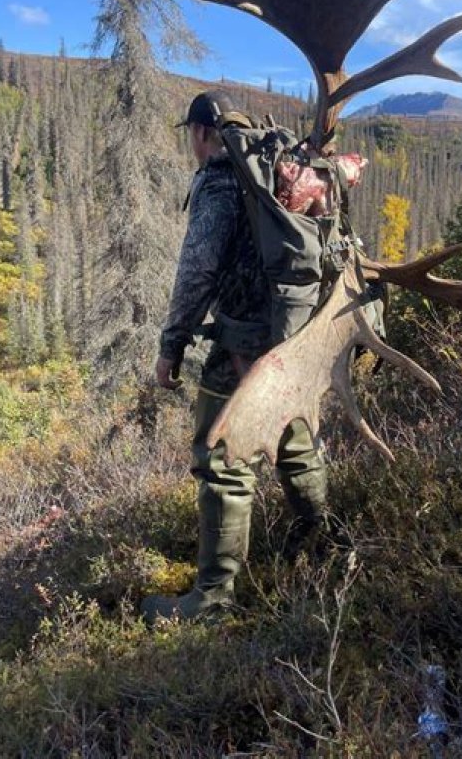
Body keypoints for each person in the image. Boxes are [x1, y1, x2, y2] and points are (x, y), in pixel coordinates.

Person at [141, 90, 328, 624]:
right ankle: (328, 546)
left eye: (191, 135)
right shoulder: (277, 171)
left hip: (243, 344)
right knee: (295, 440)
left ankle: (213, 598)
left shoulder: (222, 179)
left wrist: (171, 344)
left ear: (201, 132)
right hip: (297, 337)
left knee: (220, 460)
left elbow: (198, 269)